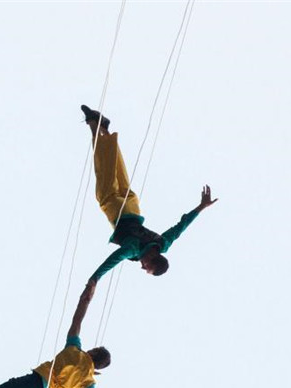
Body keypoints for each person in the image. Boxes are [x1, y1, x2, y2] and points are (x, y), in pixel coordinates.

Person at [80, 105, 218, 281]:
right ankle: (94, 125)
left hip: (132, 206)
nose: (143, 267)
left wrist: (201, 207)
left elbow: (180, 227)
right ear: (153, 259)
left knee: (116, 168)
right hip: (115, 208)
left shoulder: (163, 243)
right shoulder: (134, 250)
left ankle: (104, 129)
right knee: (104, 170)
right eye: (147, 267)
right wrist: (94, 279)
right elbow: (112, 261)